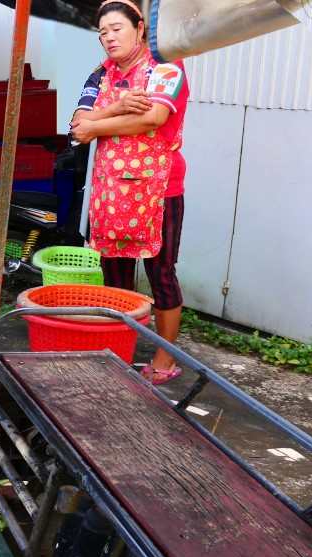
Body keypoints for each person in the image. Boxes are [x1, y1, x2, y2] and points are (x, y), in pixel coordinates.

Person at [70, 0, 190, 385]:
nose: (109, 38)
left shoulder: (167, 65)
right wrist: (118, 106)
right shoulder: (99, 75)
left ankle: (163, 359)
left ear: (140, 29)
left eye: (117, 28)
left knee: (161, 273)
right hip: (110, 191)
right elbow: (78, 125)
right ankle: (118, 348)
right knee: (115, 274)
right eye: (103, 32)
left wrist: (97, 123)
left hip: (159, 191)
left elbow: (154, 118)